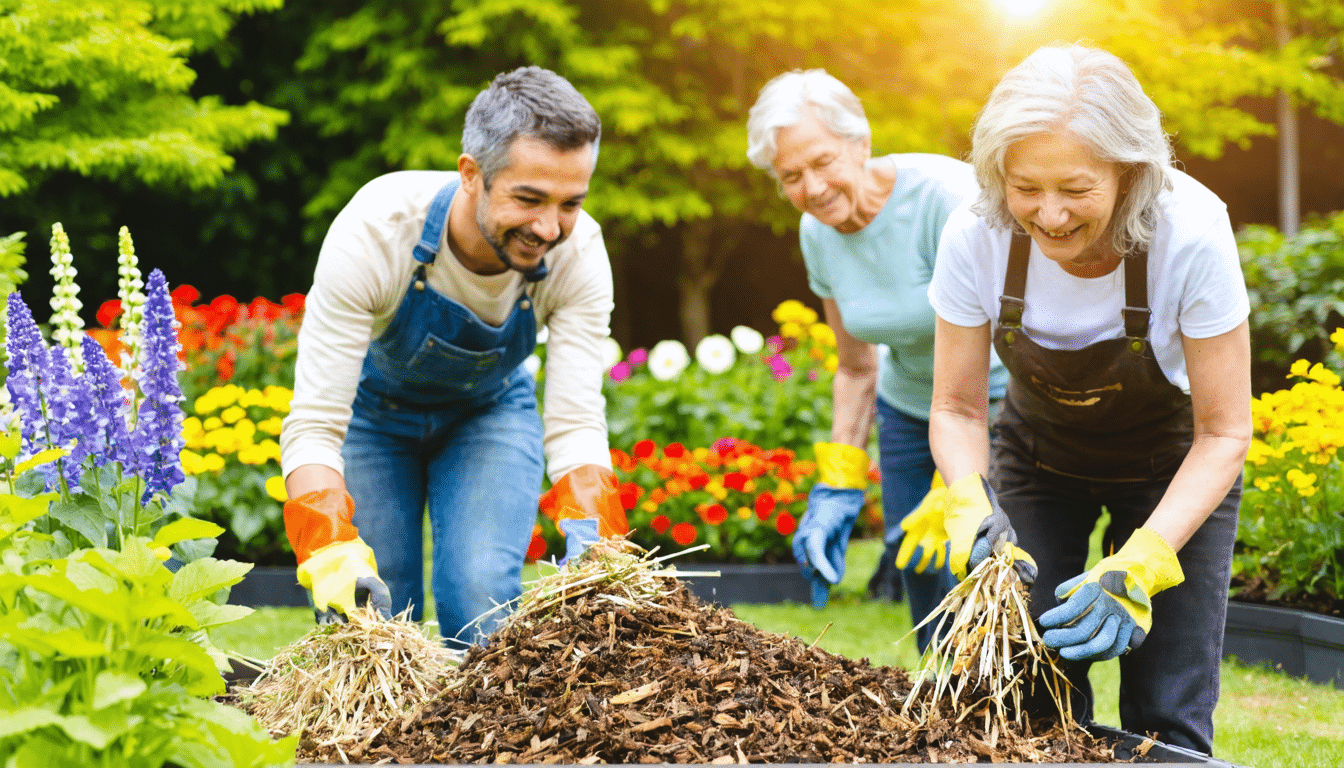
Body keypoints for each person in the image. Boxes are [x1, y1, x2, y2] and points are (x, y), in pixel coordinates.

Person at [911, 45, 1250, 754]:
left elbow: (1224, 433)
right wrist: (969, 494)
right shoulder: (976, 232)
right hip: (1039, 462)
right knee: (1030, 684)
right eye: (1025, 187)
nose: (1050, 213)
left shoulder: (1191, 231)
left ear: (1128, 174)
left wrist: (1144, 560)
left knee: (1167, 704)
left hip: (1173, 467)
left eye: (1075, 187)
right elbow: (957, 409)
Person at [279, 66, 628, 648]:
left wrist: (598, 540)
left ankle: (491, 743)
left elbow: (575, 424)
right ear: (472, 175)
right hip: (372, 419)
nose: (549, 227)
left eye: (571, 202)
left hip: (489, 415)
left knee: (480, 599)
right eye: (529, 198)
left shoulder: (579, 254)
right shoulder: (376, 231)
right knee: (372, 616)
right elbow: (315, 425)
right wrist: (328, 547)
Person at [744, 69, 1007, 651]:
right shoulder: (818, 232)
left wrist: (960, 475)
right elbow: (857, 365)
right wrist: (838, 485)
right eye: (791, 177)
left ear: (859, 142)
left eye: (822, 162)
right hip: (909, 407)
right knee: (918, 567)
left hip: (998, 402)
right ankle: (944, 720)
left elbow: (1013, 323)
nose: (811, 188)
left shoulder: (945, 200)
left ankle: (1017, 718)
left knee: (987, 558)